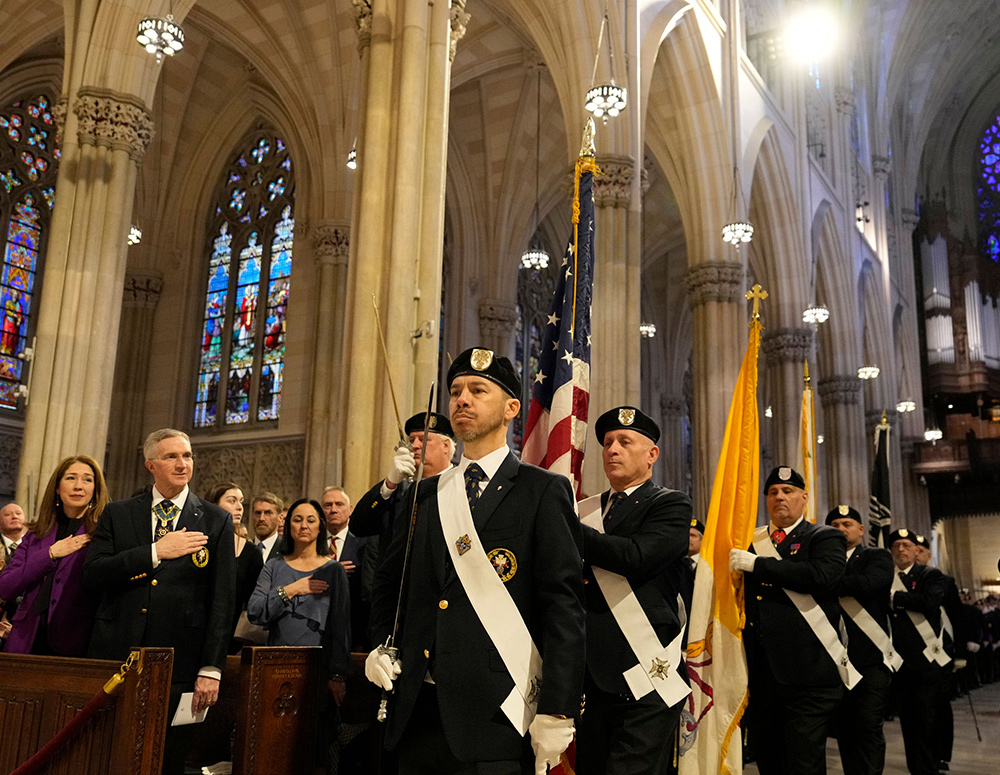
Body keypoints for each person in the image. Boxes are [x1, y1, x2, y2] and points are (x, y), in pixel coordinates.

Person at [367, 347, 586, 775]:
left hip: (497, 715)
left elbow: (563, 607)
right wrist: (381, 643)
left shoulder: (540, 491)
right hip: (418, 713)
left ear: (511, 409)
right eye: (455, 391)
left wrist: (558, 709)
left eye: (477, 390)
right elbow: (390, 585)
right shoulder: (423, 496)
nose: (461, 399)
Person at [84, 428, 236, 775]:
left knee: (167, 757)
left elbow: (222, 601)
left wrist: (211, 669)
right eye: (172, 457)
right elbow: (94, 575)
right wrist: (154, 552)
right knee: (109, 753)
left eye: (188, 456)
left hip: (181, 659)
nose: (183, 464)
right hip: (118, 651)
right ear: (150, 464)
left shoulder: (216, 519)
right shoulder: (119, 514)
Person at [575, 406, 692, 774]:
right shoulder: (585, 510)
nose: (612, 449)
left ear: (652, 454)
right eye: (608, 442)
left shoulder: (670, 504)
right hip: (590, 674)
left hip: (645, 673)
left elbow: (636, 557)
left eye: (625, 442)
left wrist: (564, 525)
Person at [729, 465, 848, 775]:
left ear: (804, 497)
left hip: (809, 673)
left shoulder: (825, 537)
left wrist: (759, 564)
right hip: (761, 673)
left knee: (803, 762)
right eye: (772, 492)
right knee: (769, 759)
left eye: (788, 491)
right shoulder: (751, 540)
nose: (779, 497)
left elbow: (822, 576)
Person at [0, 456, 110, 655]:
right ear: (57, 488)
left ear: (95, 490)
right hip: (28, 638)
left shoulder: (103, 533)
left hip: (78, 642)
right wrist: (50, 554)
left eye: (87, 479)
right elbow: (5, 587)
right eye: (70, 478)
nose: (78, 486)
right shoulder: (36, 534)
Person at [247, 498, 350, 705]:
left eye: (311, 520)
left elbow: (341, 625)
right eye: (297, 520)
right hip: (276, 666)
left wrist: (337, 675)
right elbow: (255, 611)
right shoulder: (274, 566)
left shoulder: (333, 570)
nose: (304, 526)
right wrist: (292, 590)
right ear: (288, 525)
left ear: (321, 526)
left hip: (318, 668)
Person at [826, 505, 895, 775]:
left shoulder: (876, 556)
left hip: (870, 660)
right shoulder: (824, 559)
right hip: (836, 660)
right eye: (835, 526)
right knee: (845, 729)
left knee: (867, 727)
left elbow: (870, 584)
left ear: (861, 530)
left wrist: (825, 580)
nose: (841, 529)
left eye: (847, 524)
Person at [887, 528, 951, 775]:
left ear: (916, 550)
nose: (901, 550)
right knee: (909, 724)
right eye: (896, 546)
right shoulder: (886, 576)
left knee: (926, 721)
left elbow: (929, 601)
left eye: (906, 545)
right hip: (899, 662)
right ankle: (918, 768)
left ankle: (929, 767)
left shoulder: (930, 575)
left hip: (926, 663)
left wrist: (895, 597)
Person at [352, 411, 456, 551]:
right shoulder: (400, 490)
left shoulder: (460, 484)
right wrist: (390, 483)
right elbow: (358, 527)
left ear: (446, 446)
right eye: (412, 440)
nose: (415, 445)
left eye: (424, 439)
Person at [913, 533, 965, 772]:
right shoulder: (900, 580)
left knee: (940, 707)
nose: (916, 554)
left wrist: (961, 652)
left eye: (921, 550)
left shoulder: (944, 581)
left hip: (941, 649)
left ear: (927, 554)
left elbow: (957, 616)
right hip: (914, 652)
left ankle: (942, 753)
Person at [207, 482, 264, 652]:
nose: (240, 507)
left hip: (232, 636)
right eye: (232, 501)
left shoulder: (250, 551)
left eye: (241, 501)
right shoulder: (198, 542)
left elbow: (253, 599)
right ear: (214, 505)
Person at [320, 485, 371, 650]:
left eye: (339, 504)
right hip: (318, 628)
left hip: (354, 631)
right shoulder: (312, 544)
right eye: (328, 505)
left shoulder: (365, 543)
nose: (333, 510)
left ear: (350, 510)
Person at [251, 492, 283, 561]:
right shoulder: (244, 549)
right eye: (258, 513)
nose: (261, 518)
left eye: (268, 513)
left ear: (280, 518)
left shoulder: (288, 551)